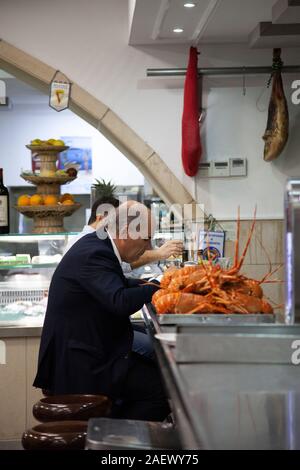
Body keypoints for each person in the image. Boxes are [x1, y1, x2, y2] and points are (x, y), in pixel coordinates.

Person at [33, 201, 170, 422]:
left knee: (154, 367)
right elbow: (119, 300)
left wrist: (151, 283)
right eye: (147, 238)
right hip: (80, 363)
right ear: (126, 233)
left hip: (90, 347)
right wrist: (157, 285)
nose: (149, 246)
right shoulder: (95, 252)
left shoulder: (98, 243)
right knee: (160, 389)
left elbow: (119, 283)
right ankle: (115, 441)